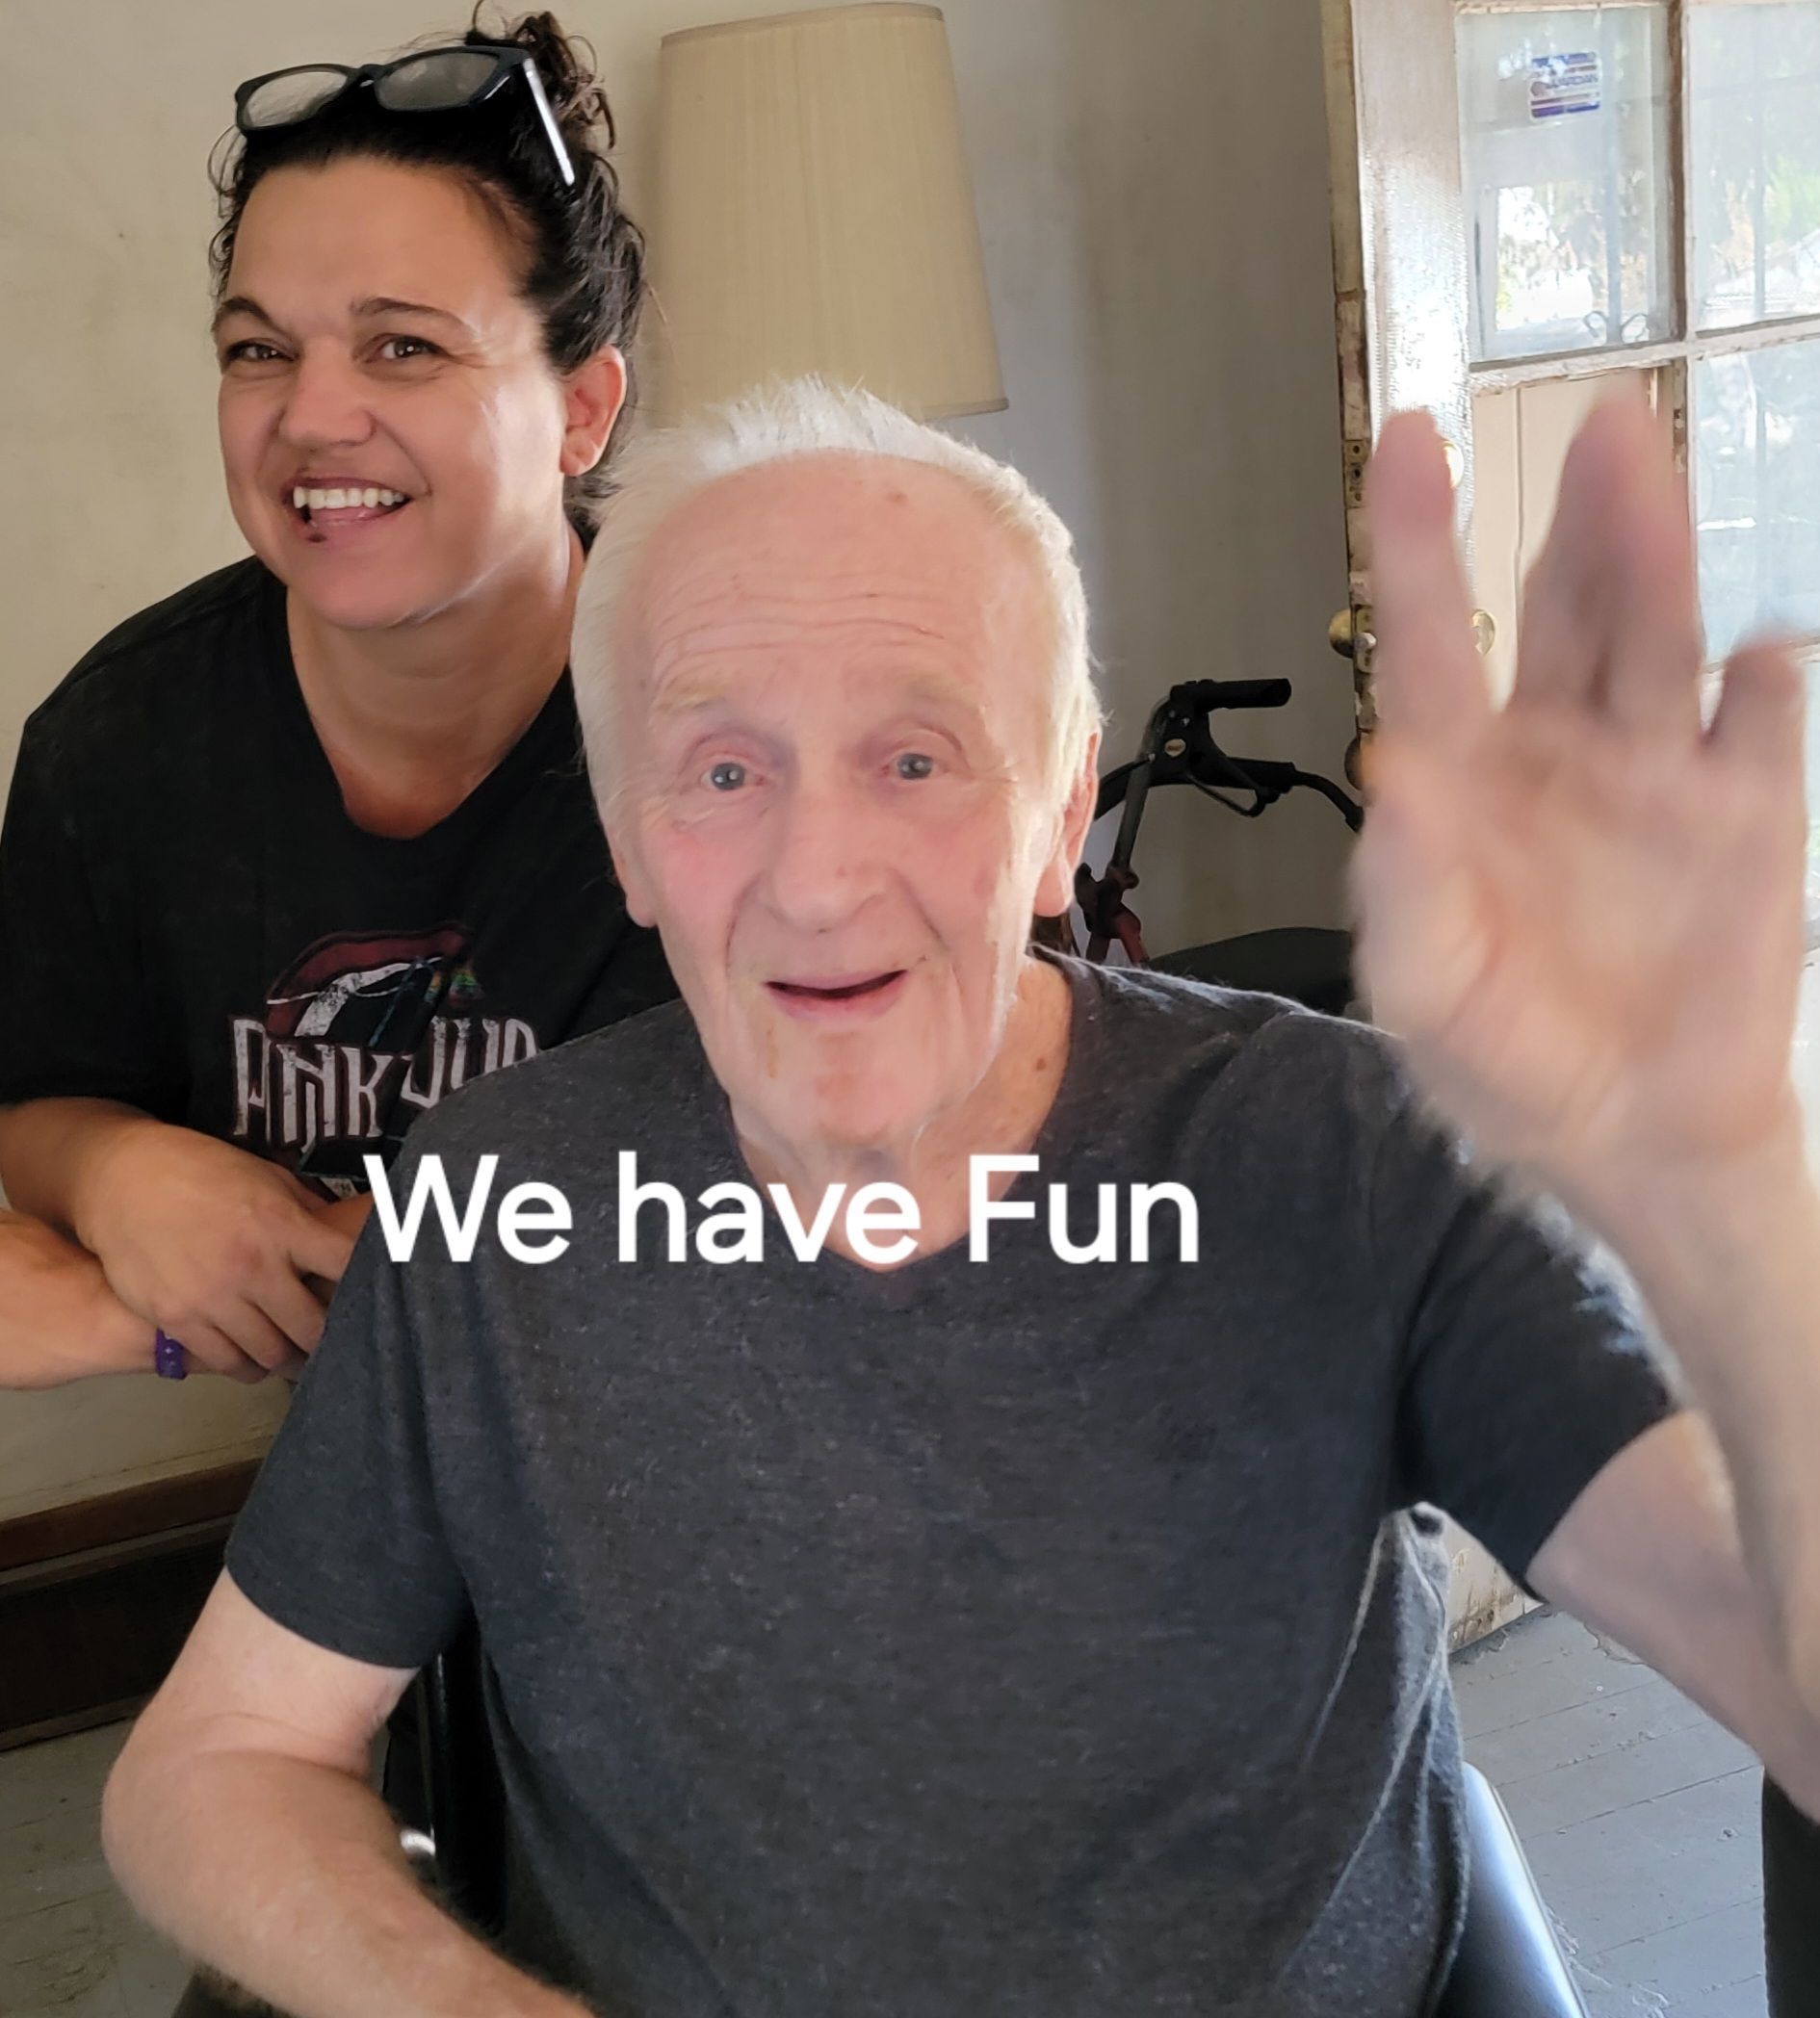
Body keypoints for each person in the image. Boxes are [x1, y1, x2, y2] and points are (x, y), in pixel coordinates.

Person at [102, 381, 1820, 2017]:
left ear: (1063, 804)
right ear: (624, 834)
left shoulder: (1337, 1148)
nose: (818, 877)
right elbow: (214, 1766)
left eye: (917, 760)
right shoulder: (490, 1209)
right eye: (721, 771)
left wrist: (1718, 1177)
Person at [0, 13, 672, 1391]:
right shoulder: (122, 741)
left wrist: (138, 1318)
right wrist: (118, 1169)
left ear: (583, 411)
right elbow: (37, 1092)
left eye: (404, 349)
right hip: (369, 1490)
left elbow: (722, 1229)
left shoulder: (736, 727)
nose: (308, 419)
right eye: (257, 351)